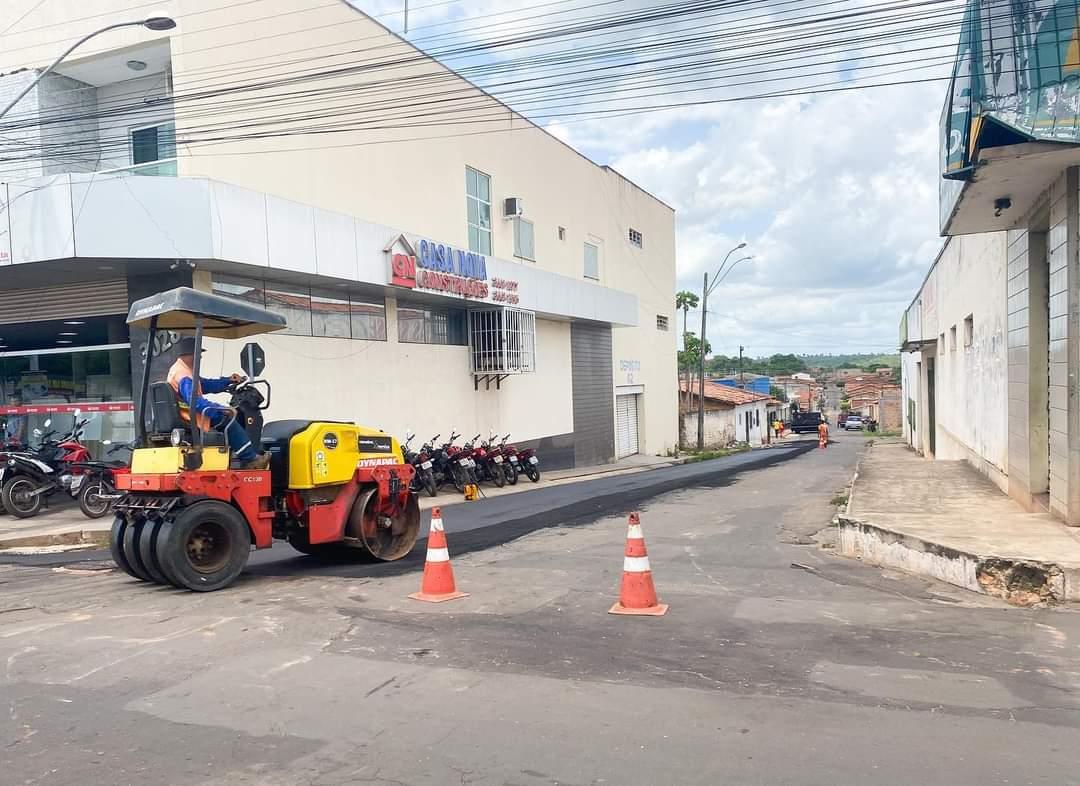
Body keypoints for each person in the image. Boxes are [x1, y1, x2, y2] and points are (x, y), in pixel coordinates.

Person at [166, 337, 270, 469]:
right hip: (192, 417)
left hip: (187, 414)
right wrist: (221, 409)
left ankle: (236, 456)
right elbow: (196, 403)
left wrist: (228, 381)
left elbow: (205, 384)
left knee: (226, 414)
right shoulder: (184, 375)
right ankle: (251, 458)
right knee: (229, 419)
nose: (201, 358)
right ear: (193, 355)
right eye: (200, 355)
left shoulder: (180, 370)